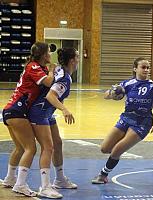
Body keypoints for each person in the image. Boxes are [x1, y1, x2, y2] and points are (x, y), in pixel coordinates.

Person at [91, 57, 153, 184]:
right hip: (126, 118)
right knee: (104, 148)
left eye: (147, 67)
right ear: (135, 69)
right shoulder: (127, 84)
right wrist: (112, 93)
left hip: (143, 122)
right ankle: (115, 156)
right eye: (143, 67)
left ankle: (103, 175)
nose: (146, 70)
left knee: (117, 149)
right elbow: (106, 95)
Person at [2, 42, 55, 197]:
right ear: (44, 55)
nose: (51, 55)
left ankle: (9, 178)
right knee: (31, 149)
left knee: (19, 148)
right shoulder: (33, 67)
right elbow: (47, 82)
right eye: (48, 53)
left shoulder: (38, 67)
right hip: (16, 111)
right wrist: (52, 71)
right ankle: (20, 184)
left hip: (11, 111)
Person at [28, 47, 78, 198]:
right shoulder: (65, 78)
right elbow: (51, 96)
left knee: (57, 143)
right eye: (77, 57)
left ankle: (60, 179)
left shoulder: (61, 72)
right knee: (48, 147)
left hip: (47, 112)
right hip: (39, 111)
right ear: (72, 60)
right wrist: (64, 109)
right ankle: (45, 186)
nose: (78, 59)